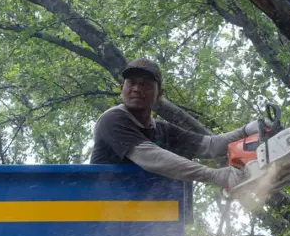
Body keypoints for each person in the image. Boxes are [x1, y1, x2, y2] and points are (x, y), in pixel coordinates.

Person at [90, 59, 266, 188]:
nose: (136, 89)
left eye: (145, 84)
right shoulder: (112, 120)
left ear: (159, 94)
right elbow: (149, 157)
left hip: (151, 214)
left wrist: (246, 131)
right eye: (132, 83)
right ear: (122, 89)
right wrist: (213, 175)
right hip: (101, 208)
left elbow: (210, 146)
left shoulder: (163, 130)